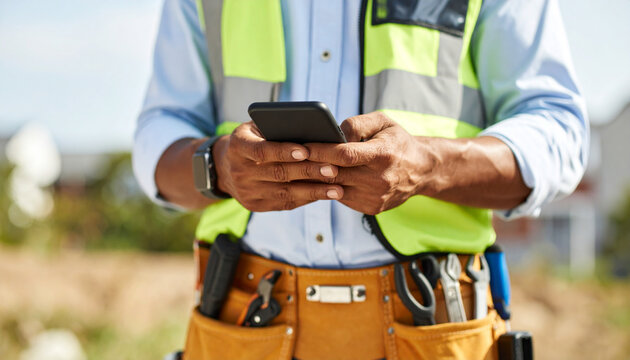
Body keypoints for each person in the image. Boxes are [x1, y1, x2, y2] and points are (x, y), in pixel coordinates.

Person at [134, 0, 588, 359]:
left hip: (434, 327)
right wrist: (217, 167)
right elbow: (160, 131)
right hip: (242, 326)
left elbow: (559, 132)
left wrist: (427, 165)